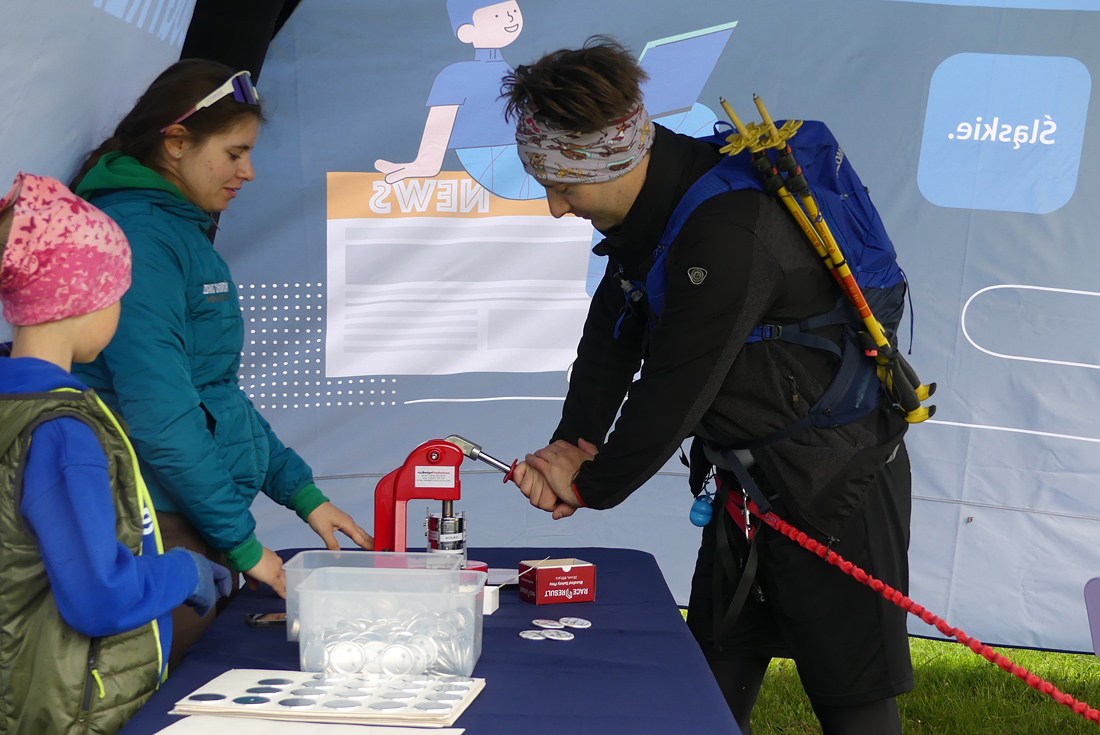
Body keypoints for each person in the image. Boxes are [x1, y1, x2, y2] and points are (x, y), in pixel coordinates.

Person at [504, 38, 913, 735]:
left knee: (854, 704)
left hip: (837, 485)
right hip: (749, 490)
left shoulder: (726, 228)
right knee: (708, 691)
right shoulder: (658, 197)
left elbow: (676, 383)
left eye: (564, 185)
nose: (554, 206)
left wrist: (591, 484)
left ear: (613, 159)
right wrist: (572, 443)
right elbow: (614, 330)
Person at [69, 59, 373, 670]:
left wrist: (301, 493)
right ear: (176, 142)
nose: (248, 172)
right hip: (153, 520)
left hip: (188, 515)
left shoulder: (178, 229)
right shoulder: (141, 237)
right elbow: (162, 419)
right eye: (235, 153)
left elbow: (214, 393)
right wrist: (243, 545)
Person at [0, 173, 232, 734]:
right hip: (71, 714)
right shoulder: (62, 432)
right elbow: (98, 598)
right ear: (87, 300)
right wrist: (184, 571)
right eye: (118, 296)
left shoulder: (13, 402)